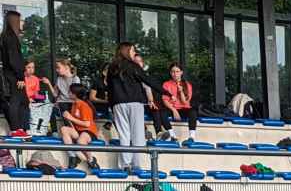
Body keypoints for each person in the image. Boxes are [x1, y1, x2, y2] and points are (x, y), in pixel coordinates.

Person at [106, 43, 169, 173]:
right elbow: (147, 80)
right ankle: (136, 164)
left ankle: (125, 165)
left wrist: (112, 106)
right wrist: (166, 92)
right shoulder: (133, 66)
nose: (134, 53)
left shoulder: (112, 68)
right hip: (135, 102)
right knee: (137, 134)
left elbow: (110, 89)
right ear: (127, 51)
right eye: (133, 50)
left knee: (124, 134)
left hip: (118, 104)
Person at [0, 10, 30, 137]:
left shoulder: (5, 36)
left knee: (23, 101)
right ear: (14, 21)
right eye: (20, 20)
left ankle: (19, 128)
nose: (22, 22)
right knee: (17, 101)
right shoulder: (11, 37)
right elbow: (14, 59)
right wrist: (20, 76)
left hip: (10, 73)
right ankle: (16, 129)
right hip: (14, 75)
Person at [60, 83, 100, 171]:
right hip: (78, 130)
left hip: (89, 131)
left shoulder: (84, 105)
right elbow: (73, 124)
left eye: (70, 92)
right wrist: (68, 118)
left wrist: (70, 118)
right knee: (64, 129)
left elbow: (87, 124)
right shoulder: (74, 104)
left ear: (75, 94)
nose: (68, 93)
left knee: (81, 141)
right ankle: (73, 156)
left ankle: (91, 159)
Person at [162, 63, 199, 144]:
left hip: (183, 109)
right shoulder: (166, 84)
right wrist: (174, 110)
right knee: (162, 113)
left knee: (193, 112)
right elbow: (165, 101)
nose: (175, 74)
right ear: (170, 73)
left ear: (181, 72)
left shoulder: (187, 85)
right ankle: (173, 136)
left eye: (177, 71)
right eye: (173, 71)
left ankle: (192, 137)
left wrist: (181, 91)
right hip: (172, 108)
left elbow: (185, 102)